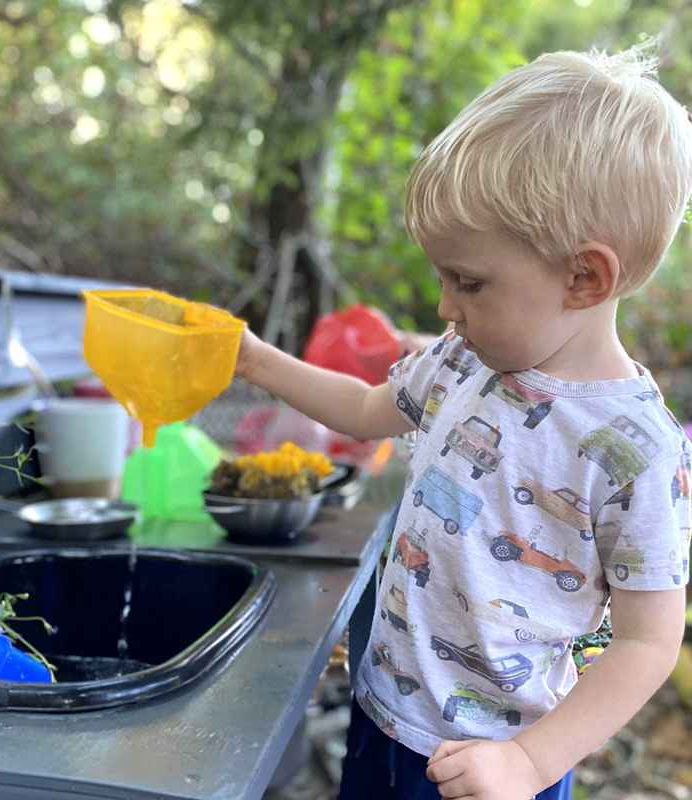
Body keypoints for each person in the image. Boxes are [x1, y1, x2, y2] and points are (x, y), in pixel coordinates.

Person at [233, 41, 692, 800]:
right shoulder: (460, 361)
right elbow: (362, 409)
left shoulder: (635, 451)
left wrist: (531, 762)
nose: (445, 308)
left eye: (468, 282)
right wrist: (254, 361)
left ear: (584, 276)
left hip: (491, 767)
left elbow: (647, 641)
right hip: (381, 717)